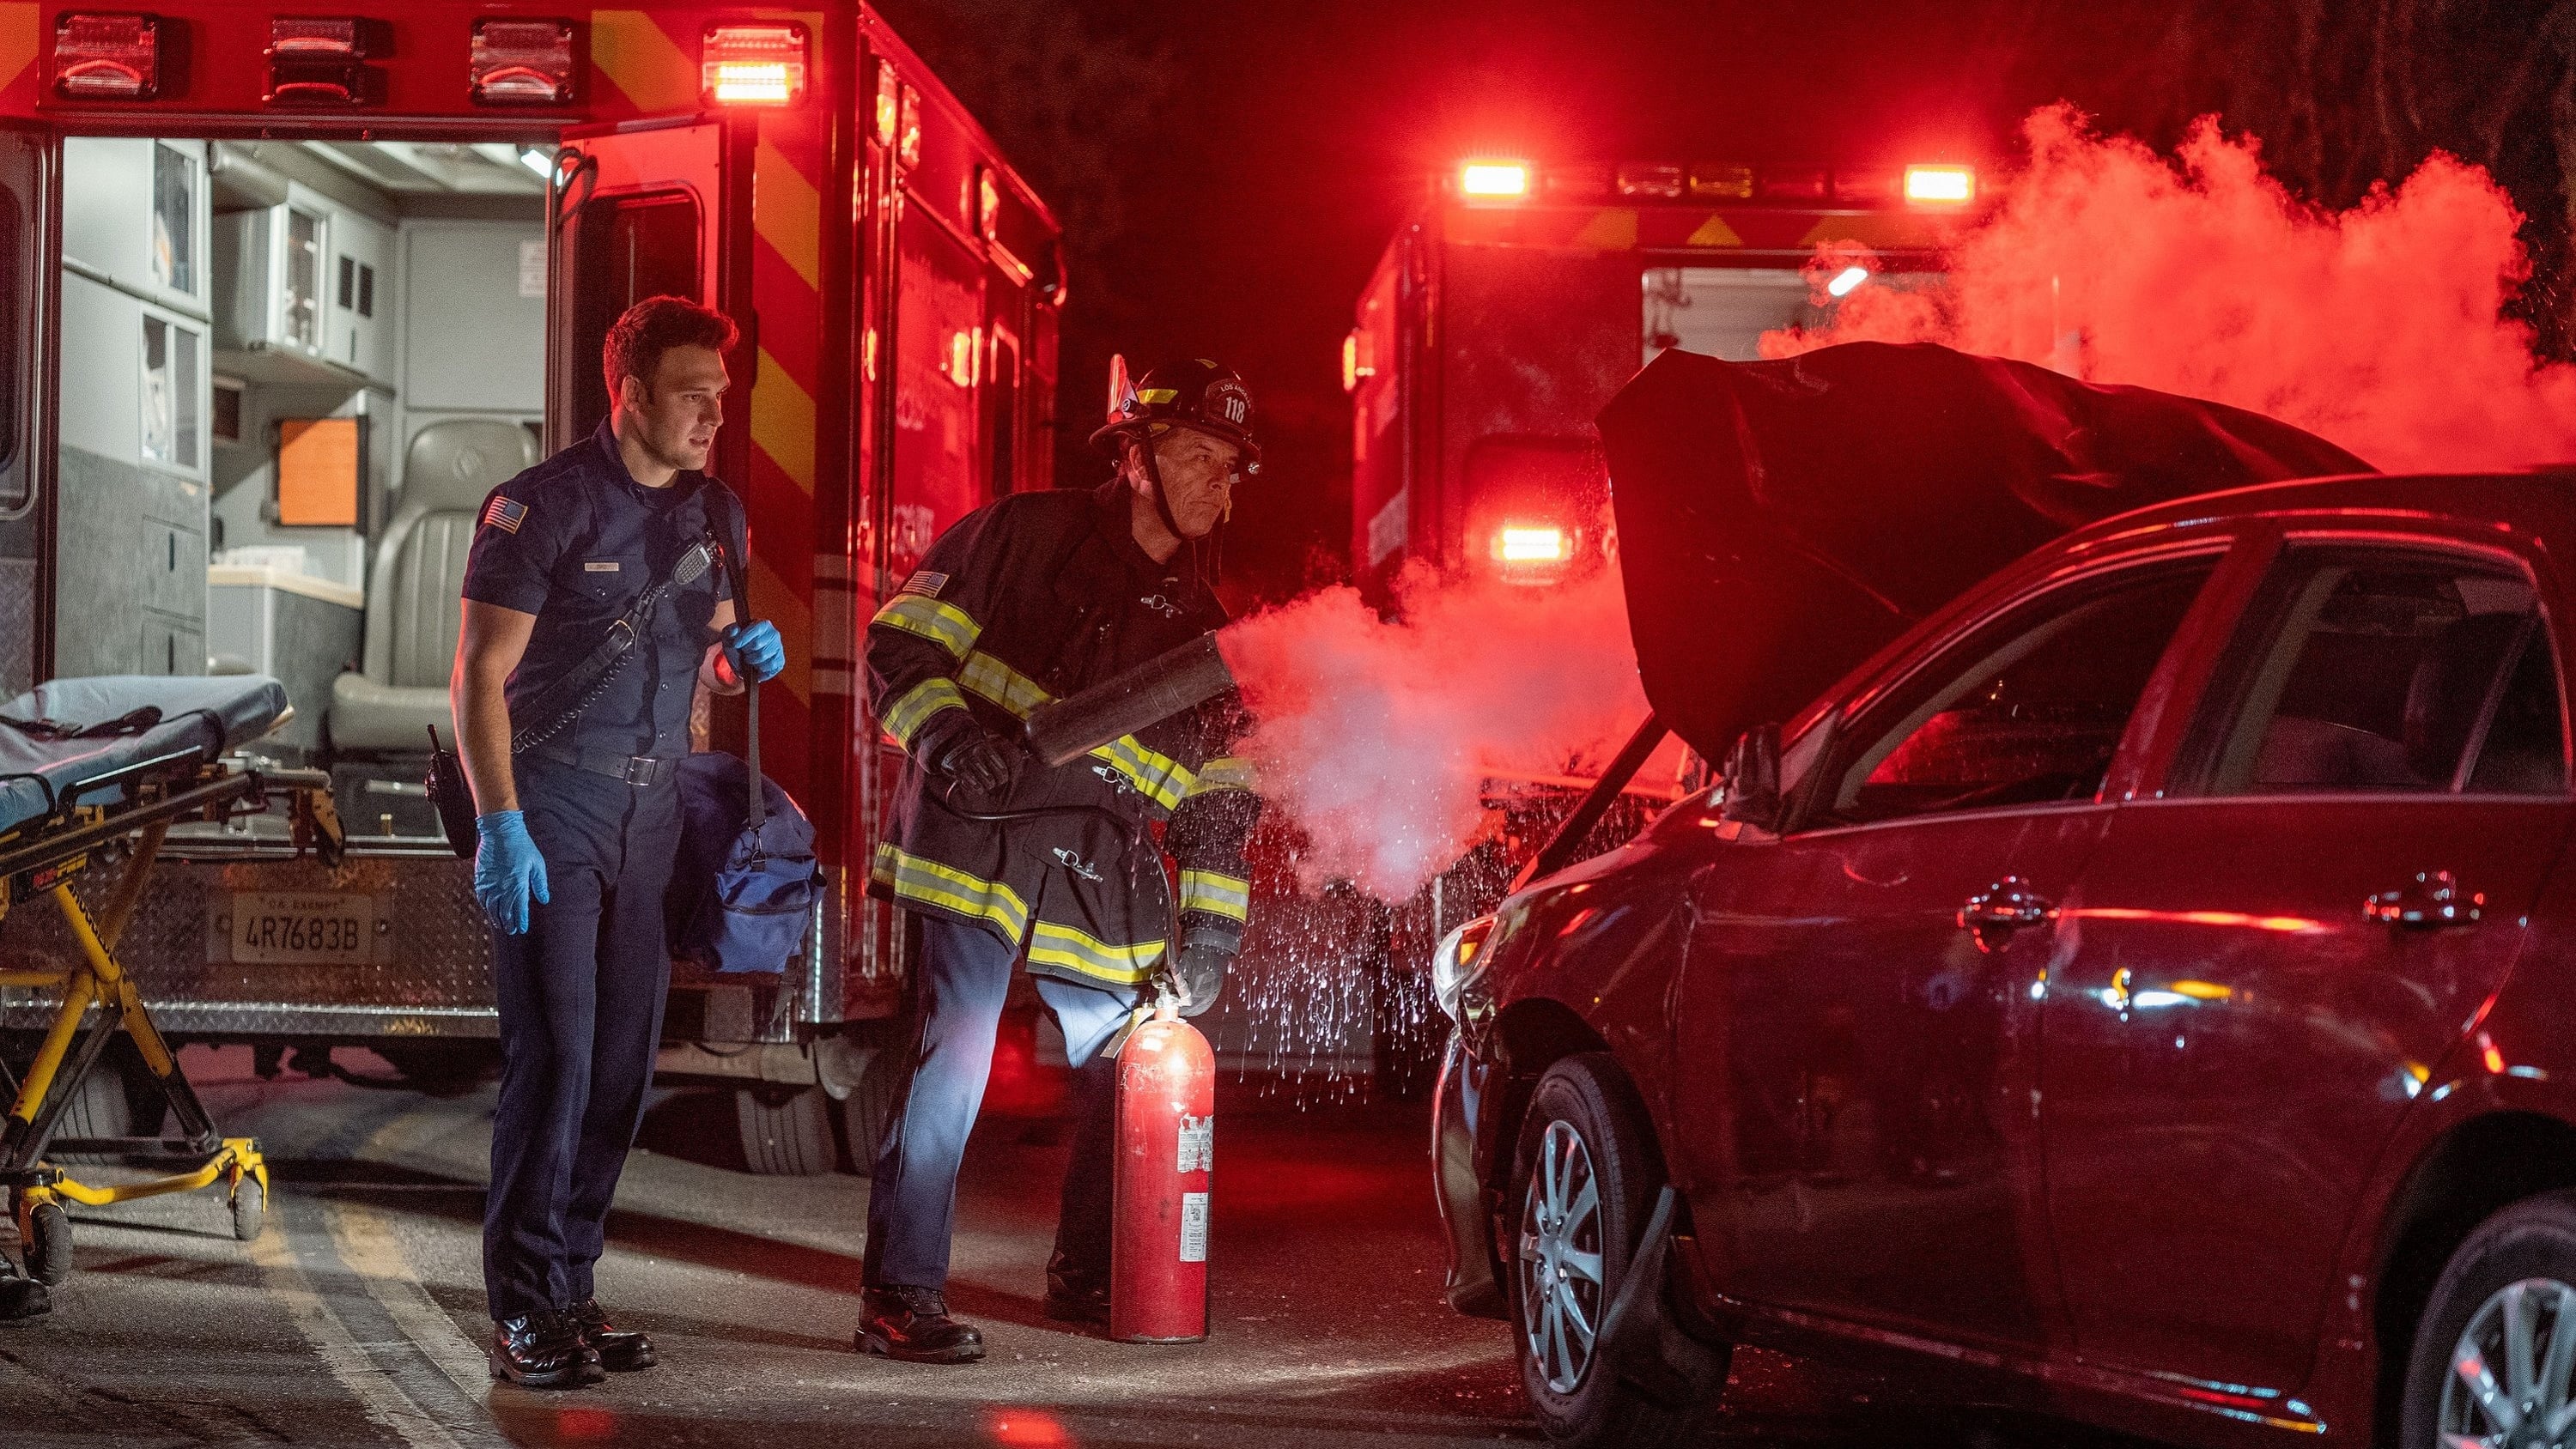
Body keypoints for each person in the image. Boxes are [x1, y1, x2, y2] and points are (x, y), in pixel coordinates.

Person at [857, 359, 1265, 1362]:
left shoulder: (1205, 631)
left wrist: (1210, 933)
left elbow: (1221, 798)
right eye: (1198, 455)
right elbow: (898, 646)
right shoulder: (1019, 535)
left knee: (1131, 1062)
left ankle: (1089, 1269)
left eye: (1230, 467)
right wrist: (952, 739)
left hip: (1095, 862)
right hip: (977, 834)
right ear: (1134, 457)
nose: (1218, 483)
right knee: (954, 1055)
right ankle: (899, 1293)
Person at [452, 295, 787, 1389]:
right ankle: (522, 1309)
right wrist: (500, 823)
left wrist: (739, 660)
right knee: (556, 1055)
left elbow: (713, 656)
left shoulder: (716, 513)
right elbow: (479, 676)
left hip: (653, 813)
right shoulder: (541, 506)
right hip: (552, 802)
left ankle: (571, 1287)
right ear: (631, 394)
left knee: (621, 1067)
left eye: (721, 397)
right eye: (693, 395)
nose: (713, 417)